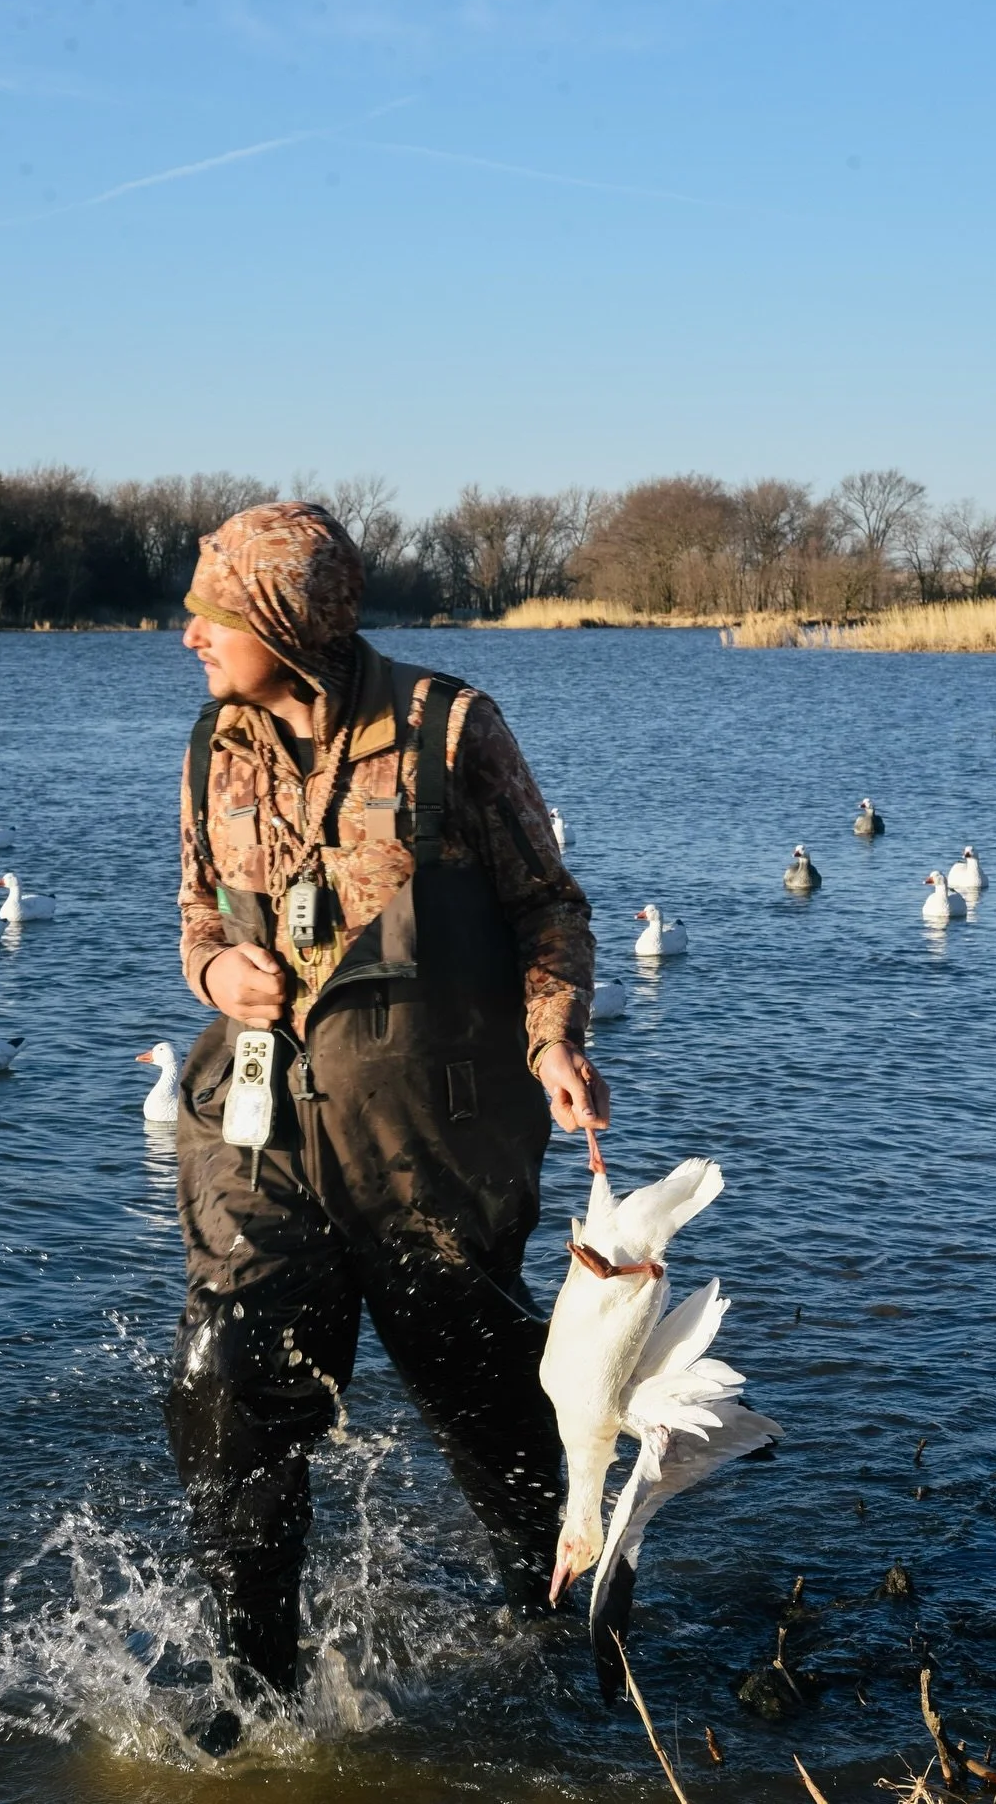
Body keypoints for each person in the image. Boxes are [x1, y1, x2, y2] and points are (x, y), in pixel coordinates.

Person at [165, 500, 608, 1740]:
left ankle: (567, 1636)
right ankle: (253, 1689)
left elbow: (550, 906)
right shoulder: (211, 743)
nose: (188, 636)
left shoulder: (451, 728)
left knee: (491, 1415)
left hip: (432, 1148)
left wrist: (555, 1037)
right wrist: (217, 972)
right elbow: (197, 912)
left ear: (285, 623)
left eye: (211, 614)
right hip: (260, 1134)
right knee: (226, 1379)